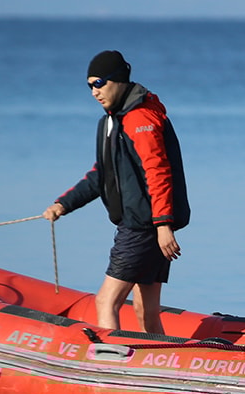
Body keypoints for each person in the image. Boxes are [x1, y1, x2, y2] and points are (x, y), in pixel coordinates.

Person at [42, 49, 189, 334]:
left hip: (143, 227)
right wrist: (63, 204)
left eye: (100, 83)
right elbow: (102, 174)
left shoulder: (139, 118)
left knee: (105, 301)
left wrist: (163, 226)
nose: (94, 92)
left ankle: (111, 367)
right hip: (147, 223)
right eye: (89, 86)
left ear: (119, 80)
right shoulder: (112, 120)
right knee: (144, 308)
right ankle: (157, 366)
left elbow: (158, 172)